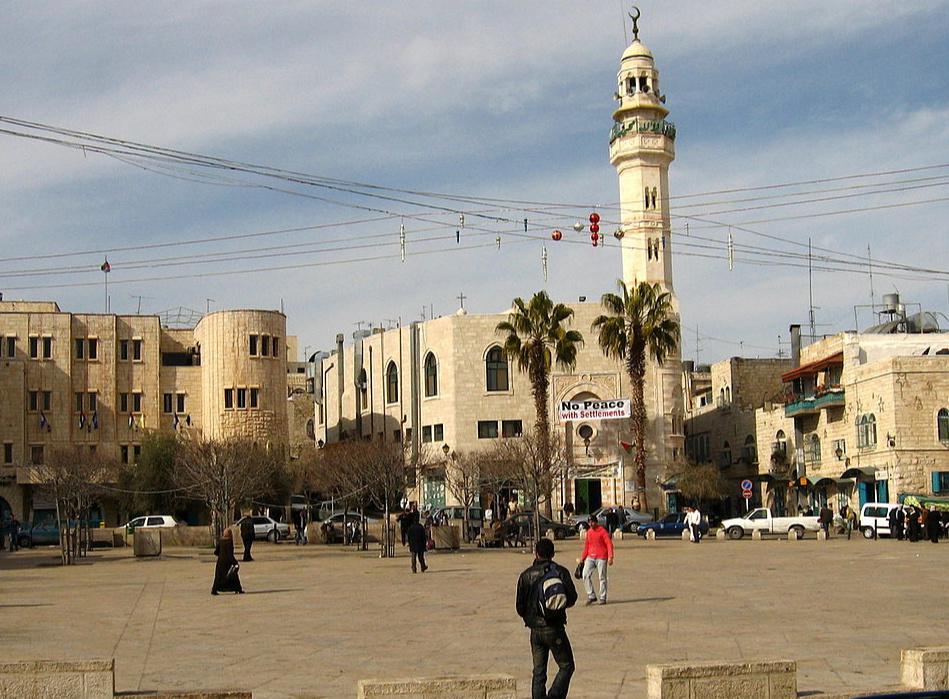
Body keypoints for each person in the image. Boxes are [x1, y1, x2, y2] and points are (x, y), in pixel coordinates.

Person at [516, 538, 578, 699]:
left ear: (536, 553)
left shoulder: (525, 575)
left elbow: (520, 607)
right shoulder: (560, 572)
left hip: (535, 631)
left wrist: (532, 617)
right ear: (553, 554)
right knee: (566, 665)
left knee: (538, 671)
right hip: (555, 627)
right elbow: (572, 598)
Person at [579, 514, 613, 605]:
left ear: (596, 522)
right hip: (590, 557)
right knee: (585, 574)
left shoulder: (602, 532)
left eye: (592, 522)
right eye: (589, 522)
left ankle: (602, 597)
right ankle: (591, 595)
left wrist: (610, 556)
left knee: (602, 577)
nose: (591, 524)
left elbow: (609, 544)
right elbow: (587, 546)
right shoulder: (589, 532)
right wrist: (582, 558)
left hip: (601, 557)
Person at [212, 528, 244, 595]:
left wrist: (220, 555)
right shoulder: (229, 542)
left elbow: (216, 552)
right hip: (227, 562)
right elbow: (230, 554)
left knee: (218, 577)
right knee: (234, 575)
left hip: (220, 562)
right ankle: (238, 589)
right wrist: (235, 562)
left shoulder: (220, 541)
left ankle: (214, 590)